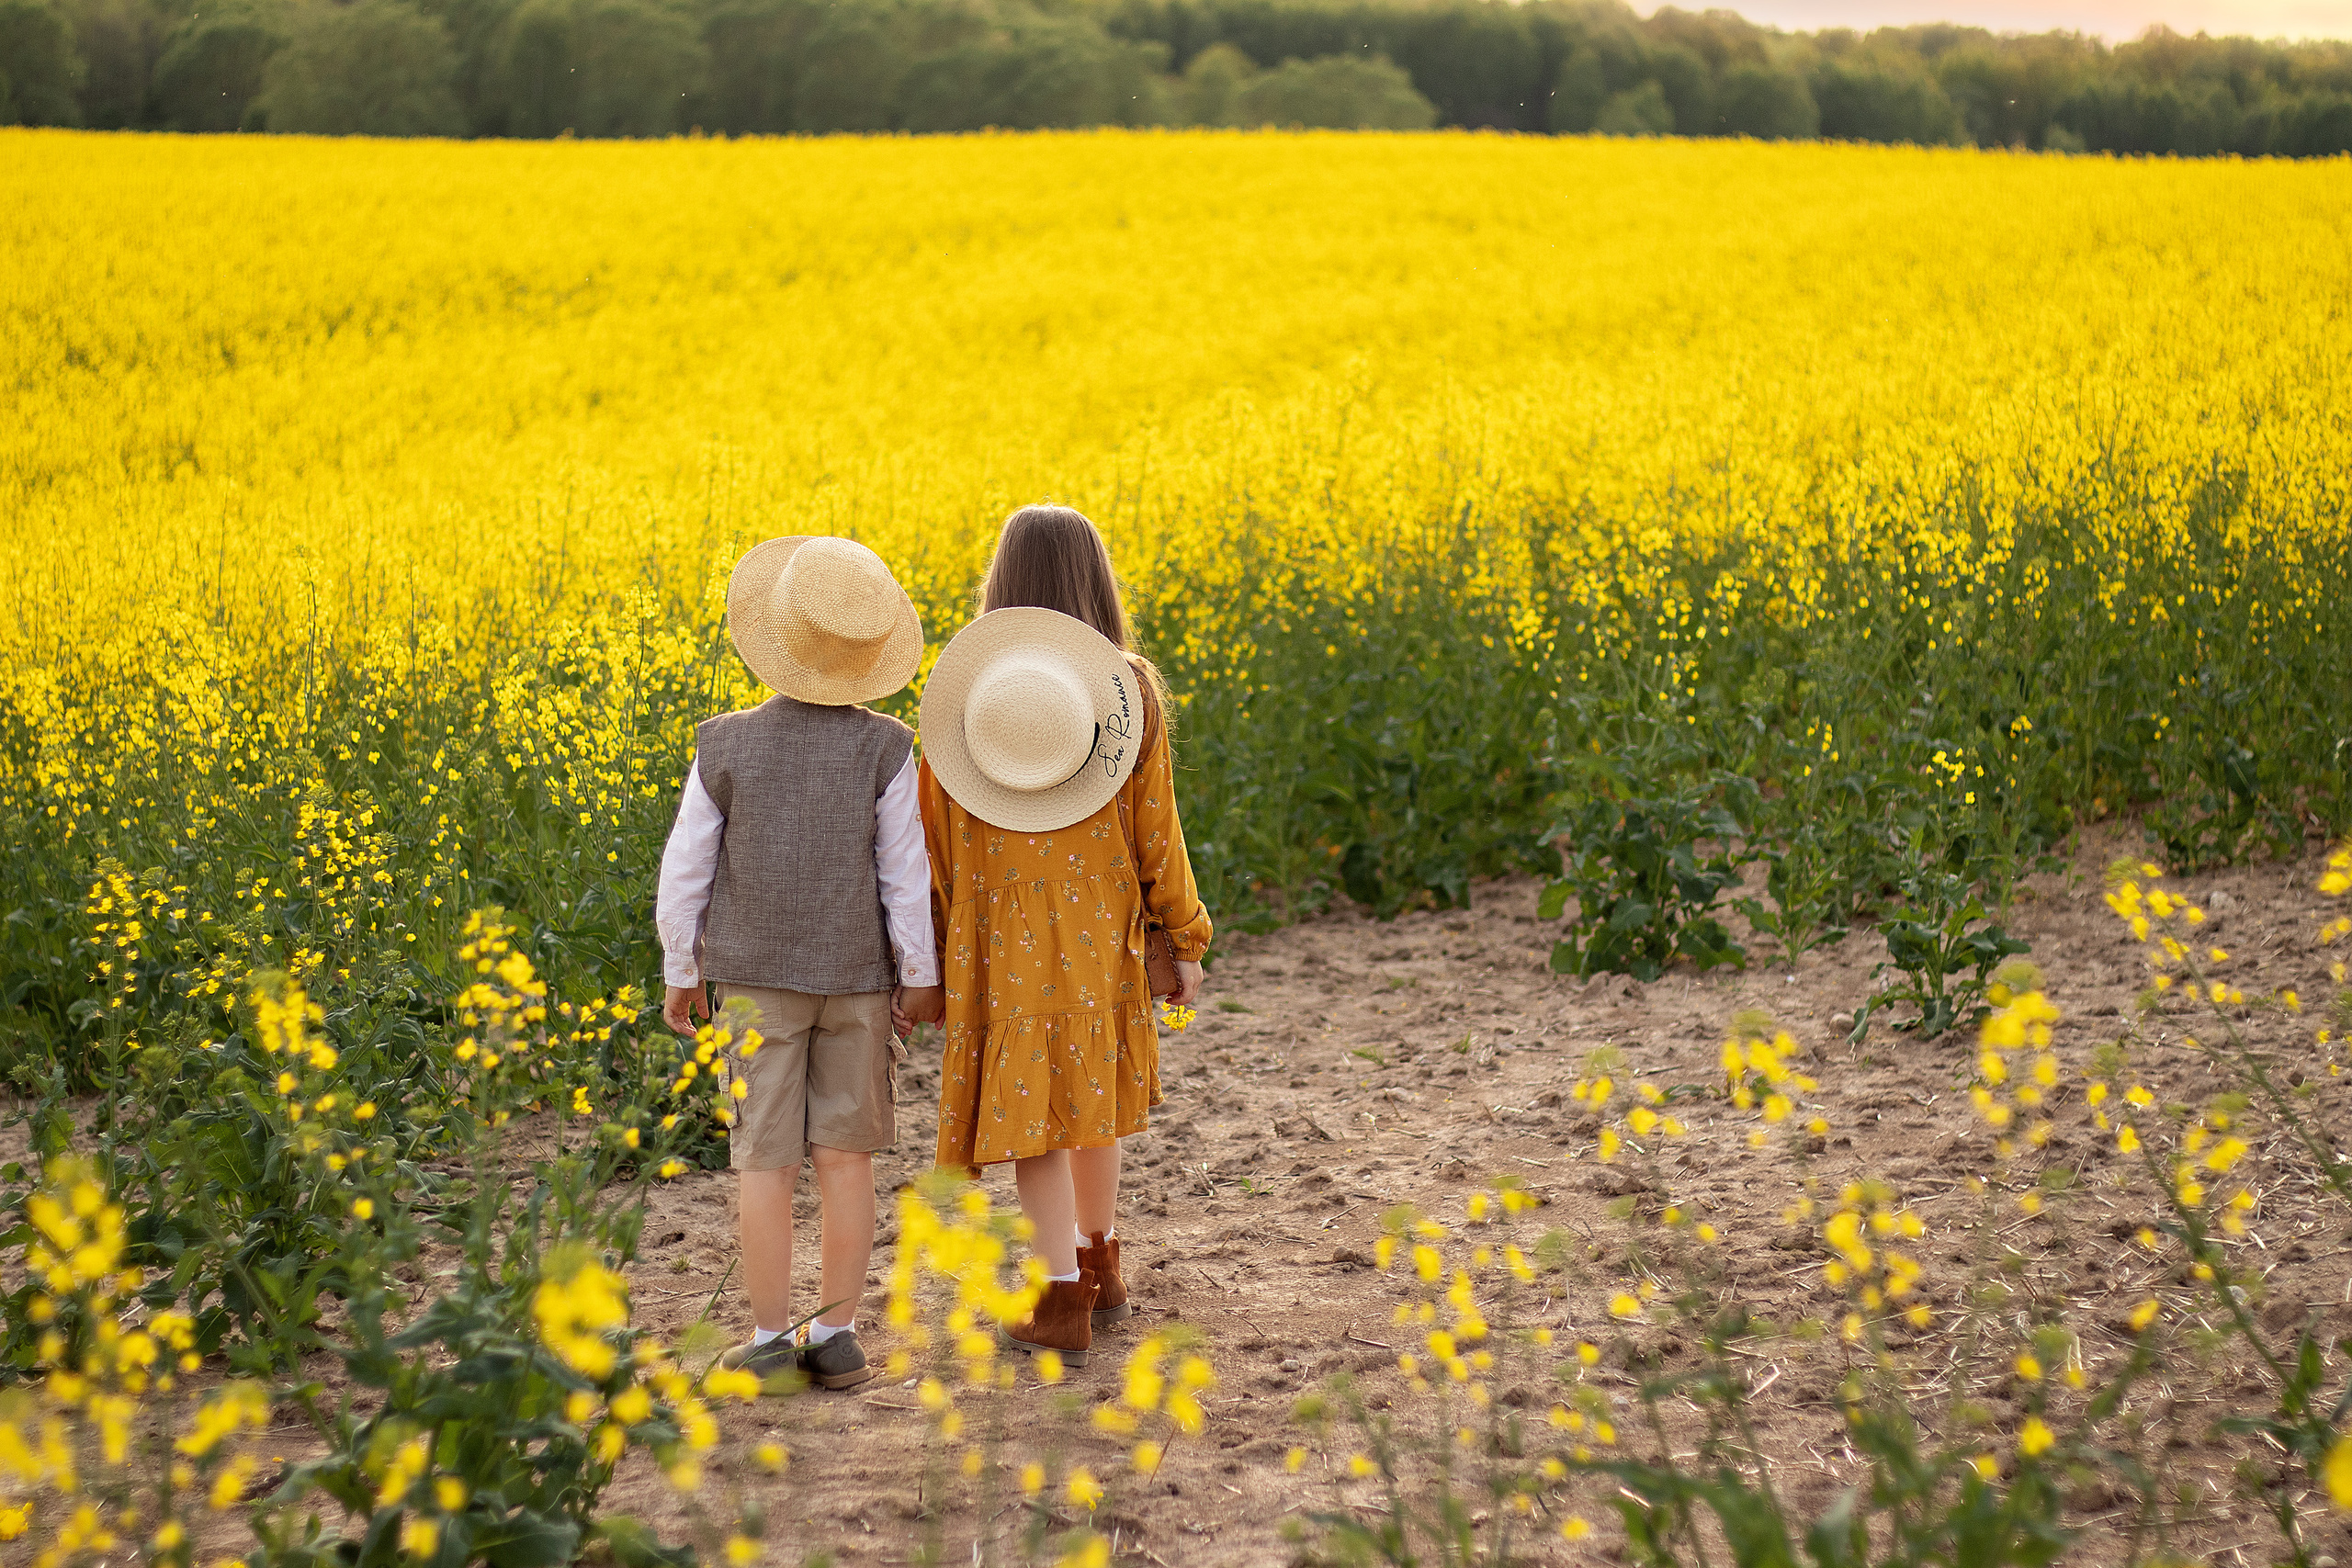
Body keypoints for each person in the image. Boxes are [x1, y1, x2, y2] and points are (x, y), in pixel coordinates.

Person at [906, 503, 1210, 1367]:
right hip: (1096, 928)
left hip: (1000, 936)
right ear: (1096, 579)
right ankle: (1099, 1257)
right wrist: (1180, 935)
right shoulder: (1127, 689)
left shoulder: (967, 697)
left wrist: (931, 952)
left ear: (1000, 584)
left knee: (1030, 1113)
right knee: (1090, 1100)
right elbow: (1159, 829)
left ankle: (1055, 1294)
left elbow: (938, 839)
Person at [656, 535, 944, 1392]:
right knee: (846, 1158)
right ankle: (841, 1332)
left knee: (763, 1159)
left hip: (750, 982)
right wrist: (919, 973)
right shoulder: (887, 748)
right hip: (858, 982)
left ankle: (769, 1335)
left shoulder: (724, 743)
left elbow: (687, 869)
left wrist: (682, 967)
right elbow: (906, 872)